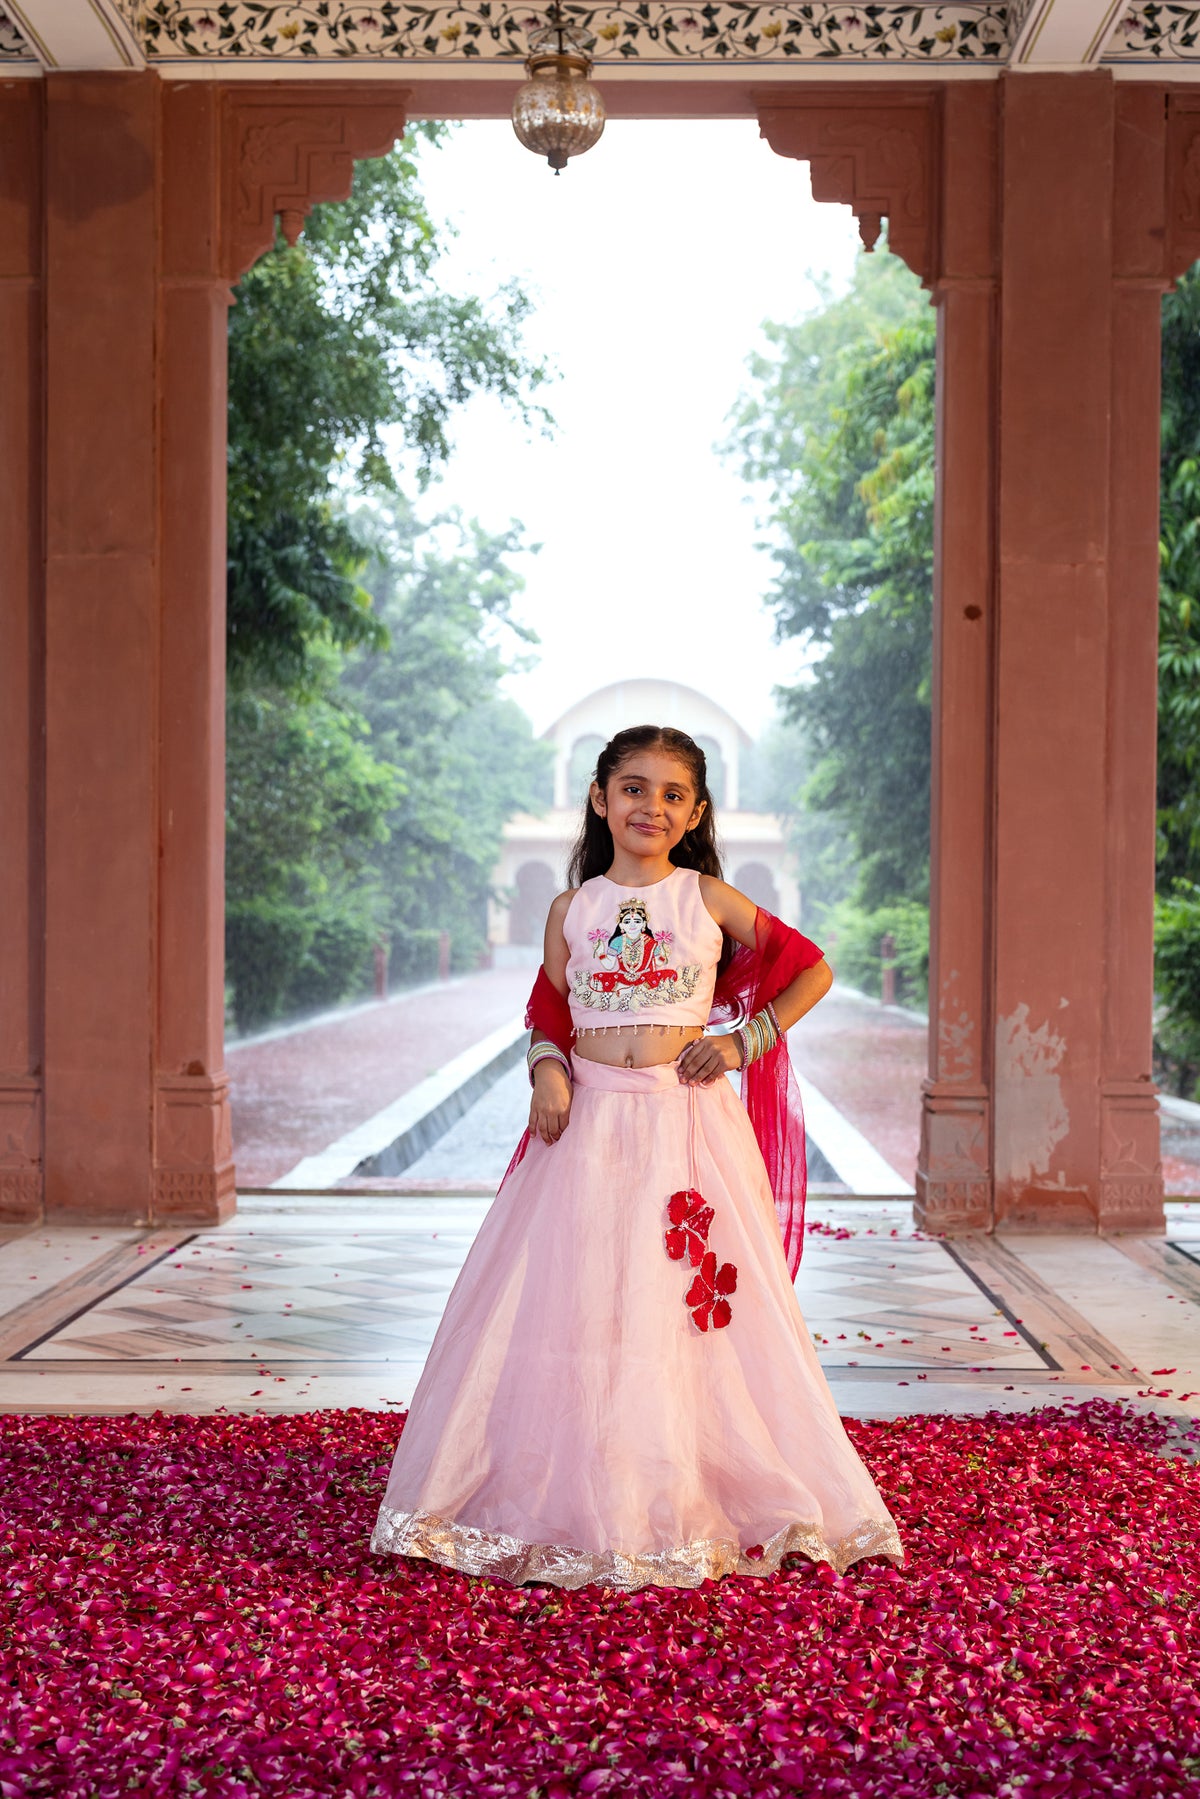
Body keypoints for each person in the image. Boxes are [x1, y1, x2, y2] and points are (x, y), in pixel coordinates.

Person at [371, 725, 902, 1590]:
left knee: (683, 1297)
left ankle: (682, 1477)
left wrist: (744, 1041)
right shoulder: (572, 910)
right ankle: (571, 1482)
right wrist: (547, 1070)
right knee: (577, 1295)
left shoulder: (708, 898)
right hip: (585, 1130)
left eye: (669, 794)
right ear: (599, 798)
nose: (649, 805)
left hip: (684, 1122)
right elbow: (549, 1009)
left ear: (694, 813)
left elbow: (812, 967)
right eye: (632, 787)